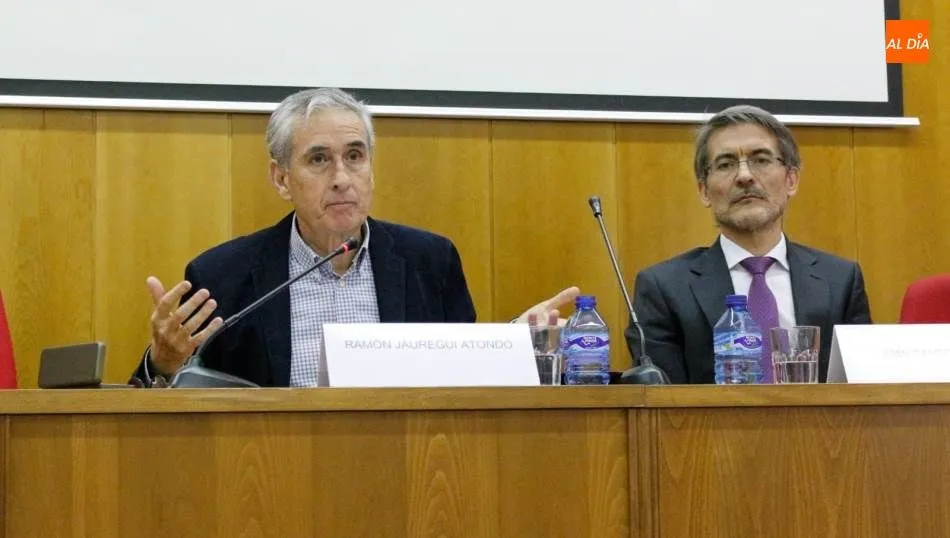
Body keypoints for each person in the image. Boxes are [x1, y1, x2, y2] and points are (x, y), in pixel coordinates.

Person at [131, 87, 576, 387]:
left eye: (355, 156)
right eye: (319, 160)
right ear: (281, 179)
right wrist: (163, 364)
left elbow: (461, 382)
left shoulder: (429, 262)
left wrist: (514, 346)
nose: (342, 178)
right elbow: (170, 409)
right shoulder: (222, 276)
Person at [625, 104, 872, 384]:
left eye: (761, 160)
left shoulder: (840, 281)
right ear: (704, 191)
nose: (744, 176)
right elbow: (662, 406)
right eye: (726, 164)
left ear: (791, 180)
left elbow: (861, 392)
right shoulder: (664, 288)